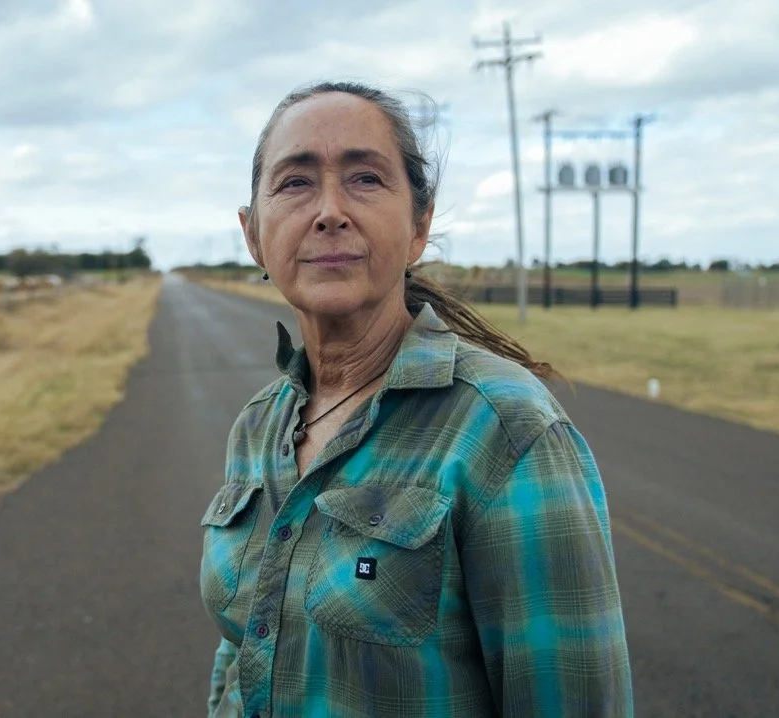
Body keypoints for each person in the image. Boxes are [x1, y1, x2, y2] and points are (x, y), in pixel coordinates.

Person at [198, 81, 633, 717]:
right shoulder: (257, 425)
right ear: (253, 235)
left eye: (365, 178)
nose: (329, 211)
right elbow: (244, 642)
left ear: (419, 227)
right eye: (294, 183)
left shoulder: (505, 429)